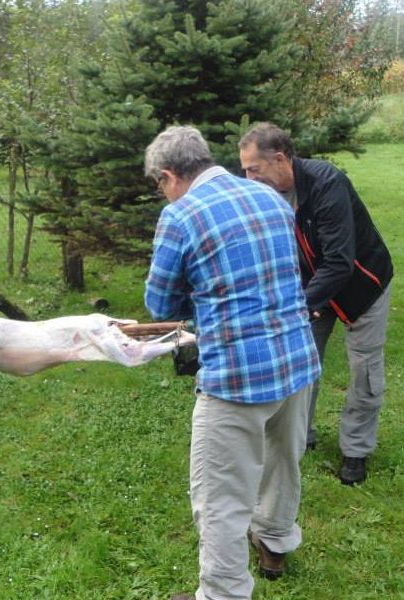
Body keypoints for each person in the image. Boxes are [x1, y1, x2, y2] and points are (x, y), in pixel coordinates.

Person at [144, 126, 320, 600]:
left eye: (160, 186)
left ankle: (223, 592)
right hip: (297, 361)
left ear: (168, 176)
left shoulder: (180, 216)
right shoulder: (270, 198)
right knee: (283, 464)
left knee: (220, 495)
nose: (163, 194)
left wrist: (199, 293)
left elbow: (160, 303)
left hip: (236, 378)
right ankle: (275, 543)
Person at [238, 123, 393, 486]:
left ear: (280, 159)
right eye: (244, 169)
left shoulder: (326, 183)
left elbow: (339, 261)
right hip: (313, 286)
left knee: (364, 370)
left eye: (253, 169)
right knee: (301, 363)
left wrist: (300, 304)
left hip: (363, 285)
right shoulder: (265, 193)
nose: (247, 178)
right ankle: (299, 437)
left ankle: (355, 450)